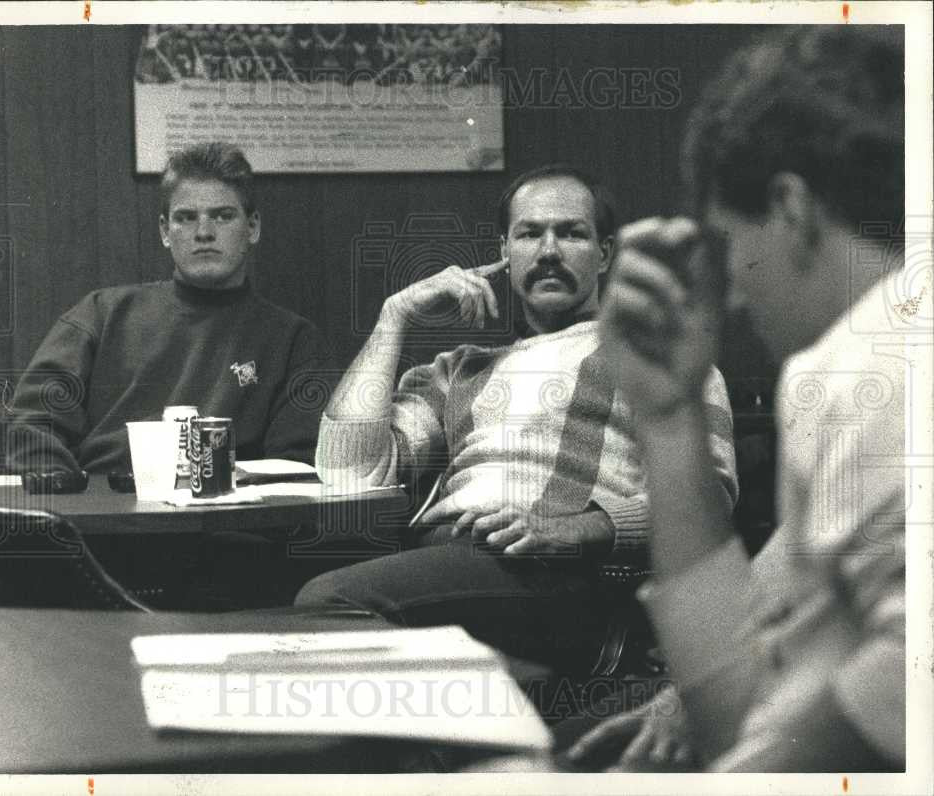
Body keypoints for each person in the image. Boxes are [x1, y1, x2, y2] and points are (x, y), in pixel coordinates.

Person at [556, 25, 910, 773]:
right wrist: (668, 417)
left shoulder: (864, 360)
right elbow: (752, 717)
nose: (739, 301)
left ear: (791, 208)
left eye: (731, 243)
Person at [295, 165, 738, 669]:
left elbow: (710, 498)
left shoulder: (657, 356)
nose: (549, 251)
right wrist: (393, 316)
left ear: (605, 254)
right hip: (447, 561)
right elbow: (348, 472)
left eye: (571, 233)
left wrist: (578, 529)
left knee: (329, 604)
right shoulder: (460, 368)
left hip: (560, 572)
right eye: (530, 234)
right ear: (505, 252)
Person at [5, 142, 331, 475]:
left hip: (228, 514)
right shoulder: (102, 315)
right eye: (186, 218)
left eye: (223, 216)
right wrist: (77, 504)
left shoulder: (292, 340)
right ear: (165, 231)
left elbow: (294, 466)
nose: (204, 233)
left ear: (252, 227)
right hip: (107, 512)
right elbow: (34, 425)